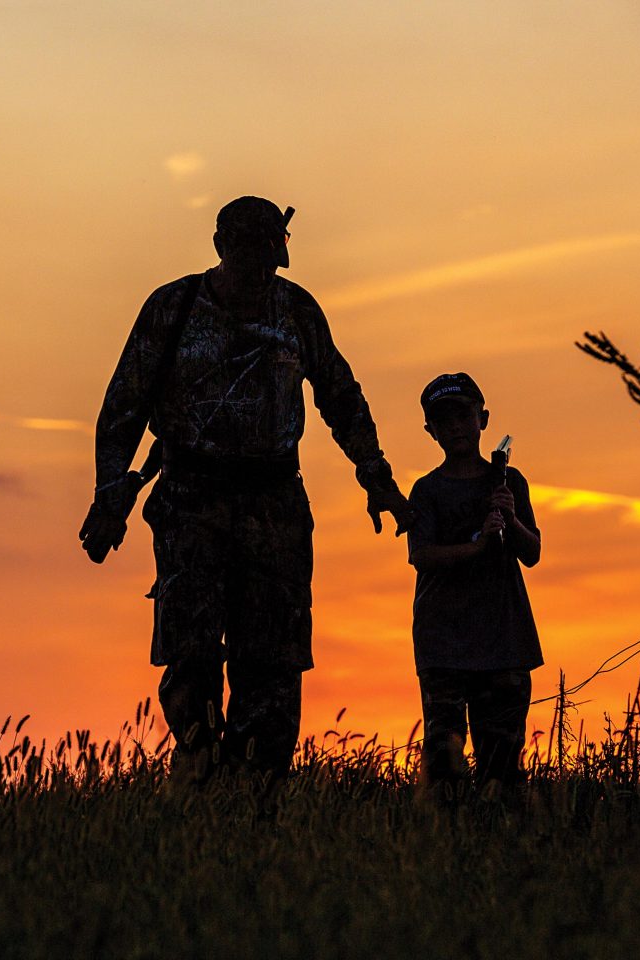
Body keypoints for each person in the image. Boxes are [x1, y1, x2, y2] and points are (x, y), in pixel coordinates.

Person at [80, 196, 410, 786]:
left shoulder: (297, 311)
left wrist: (375, 475)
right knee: (192, 653)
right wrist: (111, 496)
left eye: (271, 257)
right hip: (190, 504)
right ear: (221, 249)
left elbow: (340, 395)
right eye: (250, 254)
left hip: (275, 508)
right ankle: (201, 770)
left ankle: (257, 792)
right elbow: (122, 409)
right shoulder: (172, 308)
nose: (262, 270)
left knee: (274, 661)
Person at [406, 372, 543, 796]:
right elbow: (421, 556)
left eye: (463, 417)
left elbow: (532, 552)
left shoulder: (509, 481)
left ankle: (497, 851)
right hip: (444, 644)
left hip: (503, 643)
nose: (455, 428)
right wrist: (478, 545)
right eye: (443, 421)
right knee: (444, 765)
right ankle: (445, 847)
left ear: (482, 419)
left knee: (501, 771)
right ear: (431, 431)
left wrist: (511, 517)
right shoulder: (426, 491)